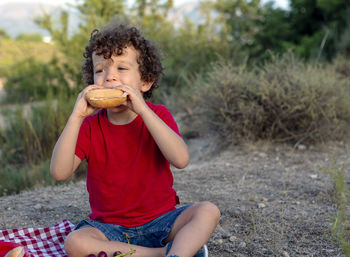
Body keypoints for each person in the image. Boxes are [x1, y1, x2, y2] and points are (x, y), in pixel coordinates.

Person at [50, 22, 220, 257]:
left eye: (121, 68)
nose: (110, 77)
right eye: (100, 70)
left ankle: (169, 249)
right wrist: (75, 116)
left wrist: (143, 110)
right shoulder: (89, 126)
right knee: (75, 243)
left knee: (208, 211)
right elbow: (59, 172)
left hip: (162, 221)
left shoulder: (158, 115)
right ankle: (165, 254)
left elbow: (181, 160)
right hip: (109, 229)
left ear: (145, 82)